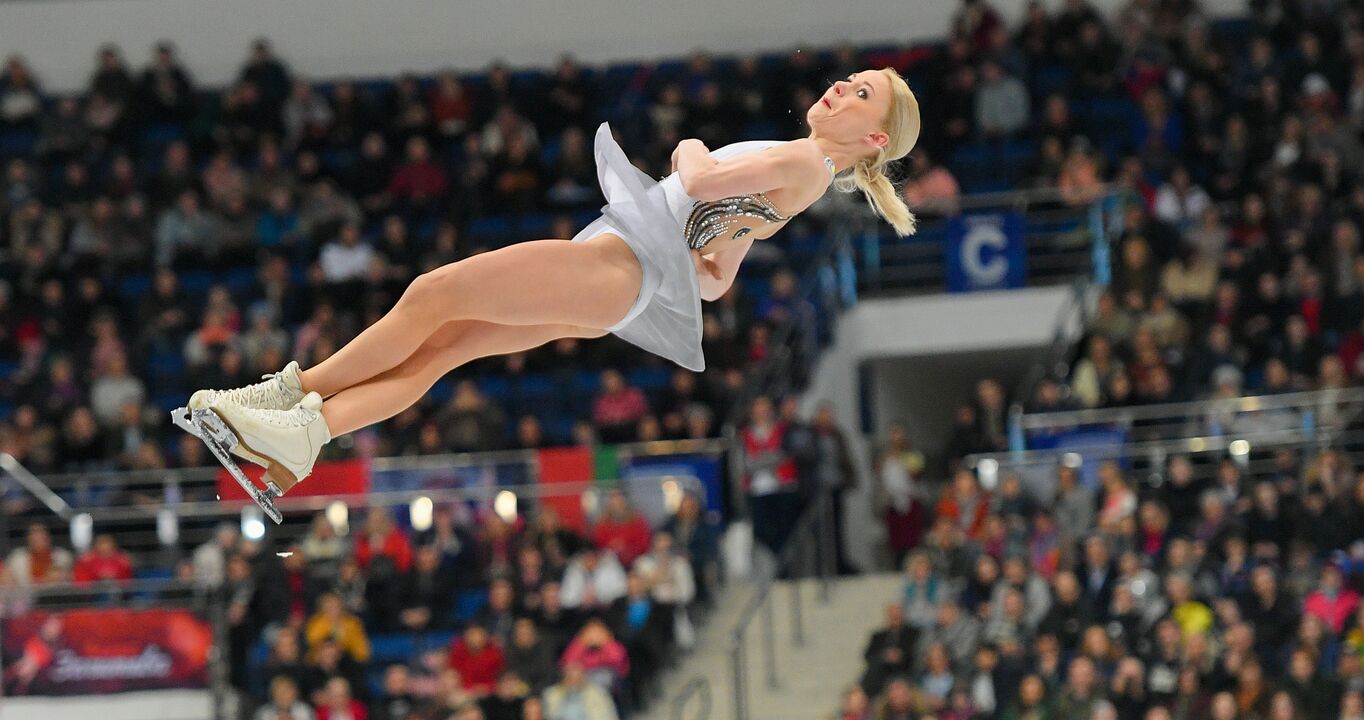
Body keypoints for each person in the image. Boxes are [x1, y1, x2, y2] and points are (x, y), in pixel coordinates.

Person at [182, 72, 921, 498]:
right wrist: (696, 238)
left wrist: (689, 147)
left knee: (432, 297)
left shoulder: (802, 162)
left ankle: (287, 395)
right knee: (440, 348)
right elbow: (721, 275)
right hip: (623, 270)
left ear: (875, 138)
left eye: (860, 95)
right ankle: (308, 437)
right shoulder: (809, 175)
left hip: (621, 263)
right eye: (850, 82)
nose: (840, 89)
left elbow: (698, 176)